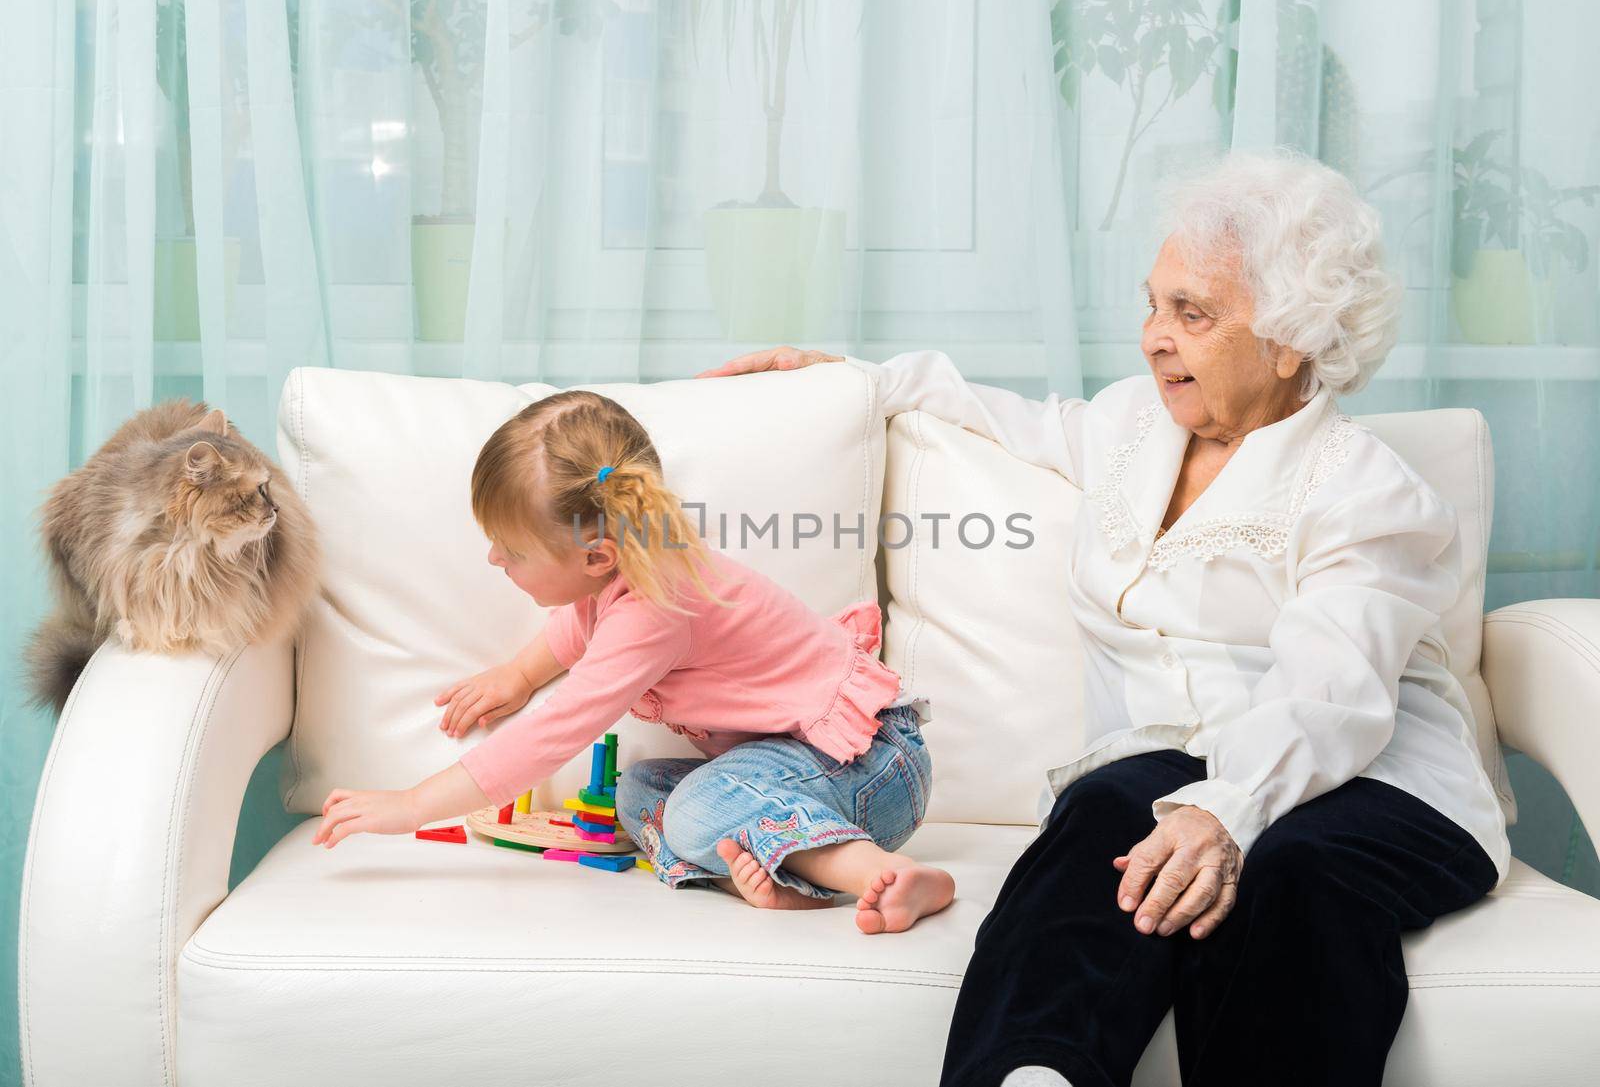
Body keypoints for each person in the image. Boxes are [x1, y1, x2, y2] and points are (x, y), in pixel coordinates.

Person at [697, 149, 1512, 1083]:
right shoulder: (1135, 424)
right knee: (1099, 815)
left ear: (1291, 339)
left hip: (1378, 782)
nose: (1153, 337)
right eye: (1153, 304)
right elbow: (996, 414)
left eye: (1192, 313)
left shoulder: (1369, 493)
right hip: (1180, 757)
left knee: (1288, 875)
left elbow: (1331, 699)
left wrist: (1224, 815)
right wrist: (844, 378)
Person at [309, 387, 955, 934]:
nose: (494, 561)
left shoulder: (657, 606)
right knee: (638, 792)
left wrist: (410, 805)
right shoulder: (631, 566)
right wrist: (517, 675)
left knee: (694, 809)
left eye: (510, 549)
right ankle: (767, 868)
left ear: (597, 559)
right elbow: (574, 630)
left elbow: (553, 731)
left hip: (873, 768)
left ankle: (883, 875)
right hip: (800, 768)